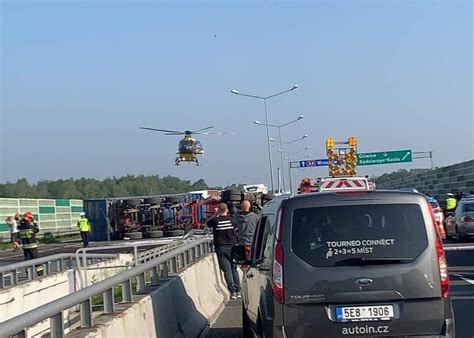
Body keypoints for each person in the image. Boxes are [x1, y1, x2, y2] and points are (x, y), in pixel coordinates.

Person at [206, 203, 241, 300]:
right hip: (233, 247)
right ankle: (238, 290)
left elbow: (207, 223)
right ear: (227, 210)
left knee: (227, 271)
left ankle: (232, 291)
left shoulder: (215, 221)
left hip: (221, 248)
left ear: (219, 210)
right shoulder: (233, 220)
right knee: (234, 269)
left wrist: (215, 214)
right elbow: (237, 231)